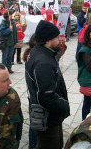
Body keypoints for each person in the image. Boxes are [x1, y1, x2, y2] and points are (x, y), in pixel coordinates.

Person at [25, 20, 70, 149]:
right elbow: (46, 97)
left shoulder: (39, 52)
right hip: (48, 118)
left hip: (47, 115)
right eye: (56, 37)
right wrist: (64, 104)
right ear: (48, 40)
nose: (59, 39)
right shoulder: (43, 63)